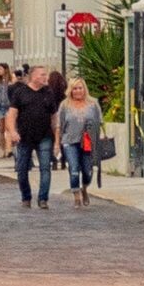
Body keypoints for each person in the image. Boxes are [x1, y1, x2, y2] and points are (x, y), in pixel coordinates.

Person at [8, 63, 68, 207]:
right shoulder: (20, 92)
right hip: (25, 137)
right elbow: (11, 115)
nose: (45, 77)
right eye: (42, 75)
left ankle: (43, 199)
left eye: (45, 74)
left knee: (45, 168)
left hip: (45, 136)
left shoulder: (48, 93)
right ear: (33, 76)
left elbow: (54, 118)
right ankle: (26, 197)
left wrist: (57, 140)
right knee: (22, 169)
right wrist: (12, 131)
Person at [57, 78, 105, 207]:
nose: (78, 91)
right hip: (70, 141)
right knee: (73, 169)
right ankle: (76, 196)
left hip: (88, 142)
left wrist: (98, 137)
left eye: (80, 88)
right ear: (70, 90)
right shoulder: (64, 105)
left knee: (87, 171)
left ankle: (84, 188)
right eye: (75, 88)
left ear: (85, 89)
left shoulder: (93, 104)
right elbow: (58, 125)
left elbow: (100, 122)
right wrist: (57, 143)